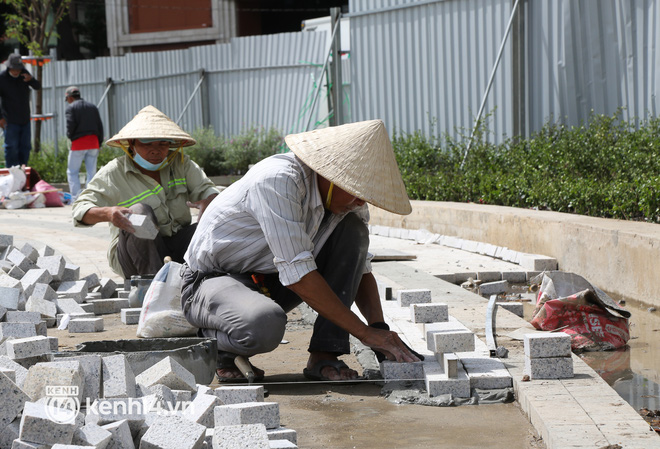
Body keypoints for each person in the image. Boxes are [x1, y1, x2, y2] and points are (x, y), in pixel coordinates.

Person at [182, 119, 422, 383]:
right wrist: (365, 334)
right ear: (330, 176)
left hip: (269, 278)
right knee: (263, 325)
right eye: (356, 191)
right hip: (213, 281)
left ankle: (324, 353)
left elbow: (360, 268)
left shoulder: (350, 201)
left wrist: (379, 330)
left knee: (353, 230)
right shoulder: (278, 181)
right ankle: (217, 345)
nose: (360, 201)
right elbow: (299, 274)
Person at [72, 105, 220, 279]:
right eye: (147, 144)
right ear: (132, 145)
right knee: (138, 213)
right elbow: (80, 209)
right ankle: (151, 285)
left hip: (176, 247)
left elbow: (207, 190)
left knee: (214, 224)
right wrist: (108, 213)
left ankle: (207, 278)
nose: (155, 150)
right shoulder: (114, 172)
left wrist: (210, 200)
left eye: (162, 144)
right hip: (134, 257)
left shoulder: (181, 163)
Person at [0, 54, 41, 168]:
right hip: (9, 120)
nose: (16, 71)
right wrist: (0, 118)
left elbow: (37, 86)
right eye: (14, 68)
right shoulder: (2, 78)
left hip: (24, 119)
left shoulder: (24, 75)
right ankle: (11, 171)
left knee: (25, 147)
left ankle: (23, 171)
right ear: (9, 67)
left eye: (18, 68)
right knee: (12, 147)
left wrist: (31, 79)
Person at [65, 86, 104, 199]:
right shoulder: (92, 107)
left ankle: (76, 198)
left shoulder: (71, 108)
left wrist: (70, 137)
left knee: (72, 172)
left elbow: (70, 126)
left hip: (79, 143)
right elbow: (100, 126)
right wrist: (99, 142)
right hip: (94, 143)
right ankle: (91, 197)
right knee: (92, 172)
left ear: (70, 98)